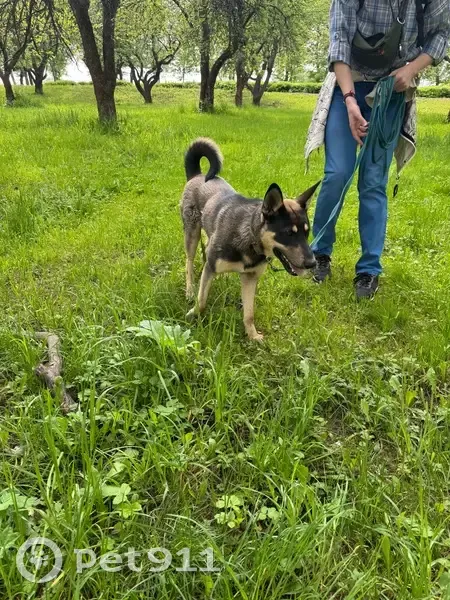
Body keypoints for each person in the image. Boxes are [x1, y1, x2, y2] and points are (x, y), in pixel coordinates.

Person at [305, 0, 450, 300]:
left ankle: (369, 269)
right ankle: (319, 253)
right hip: (348, 85)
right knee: (338, 173)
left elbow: (442, 33)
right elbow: (339, 40)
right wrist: (349, 101)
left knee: (373, 182)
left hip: (391, 92)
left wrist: (411, 69)